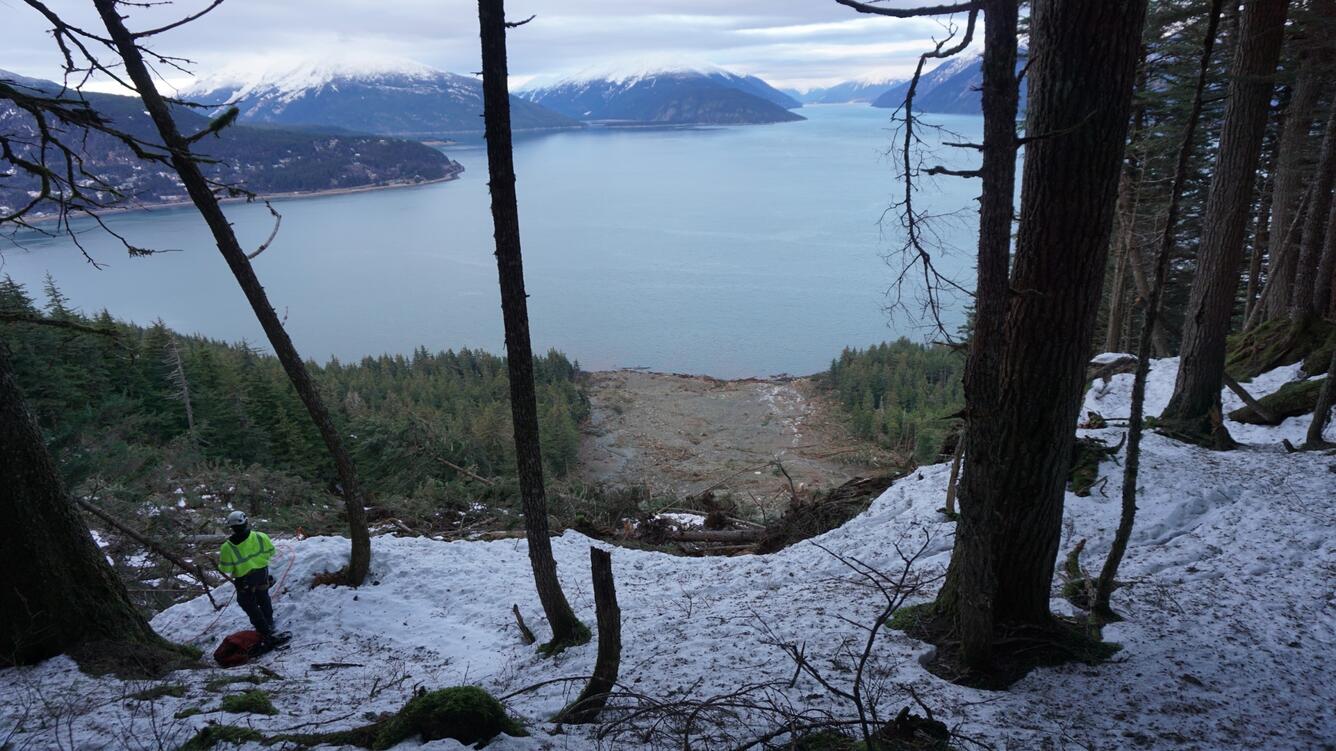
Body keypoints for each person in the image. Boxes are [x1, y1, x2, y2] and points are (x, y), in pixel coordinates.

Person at [219, 510, 287, 647]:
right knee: (263, 597)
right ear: (246, 522)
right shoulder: (261, 537)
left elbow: (226, 569)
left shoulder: (227, 547)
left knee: (247, 603)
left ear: (231, 527)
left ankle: (263, 630)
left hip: (243, 581)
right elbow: (271, 553)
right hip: (261, 573)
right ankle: (269, 622)